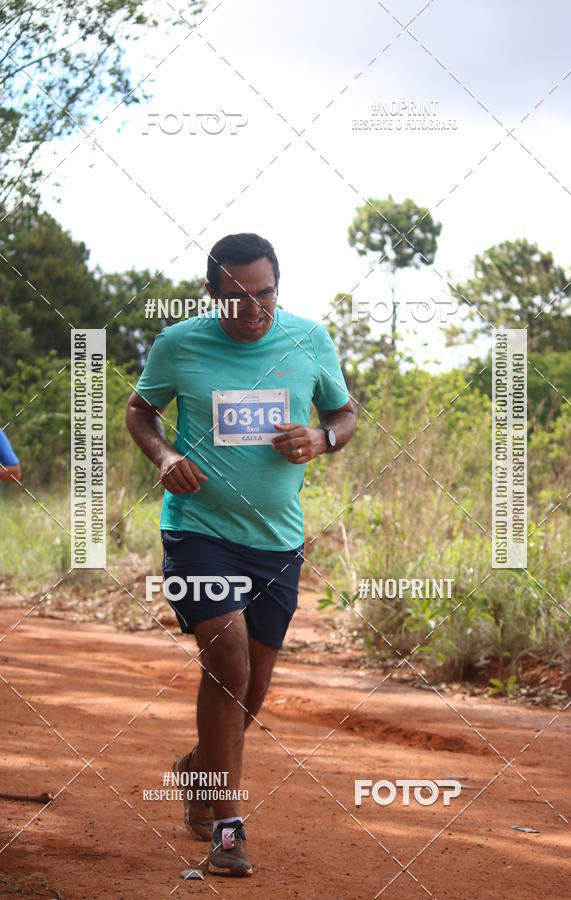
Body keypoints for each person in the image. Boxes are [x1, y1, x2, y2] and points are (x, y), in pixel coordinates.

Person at [126, 232, 356, 876]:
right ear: (212, 295)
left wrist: (320, 437)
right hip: (198, 529)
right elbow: (141, 410)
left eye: (265, 294)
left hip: (278, 539)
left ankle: (199, 772)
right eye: (236, 298)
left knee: (251, 687)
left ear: (278, 286)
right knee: (225, 657)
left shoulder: (310, 339)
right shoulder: (180, 344)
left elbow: (343, 415)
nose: (253, 309)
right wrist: (166, 456)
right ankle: (228, 827)